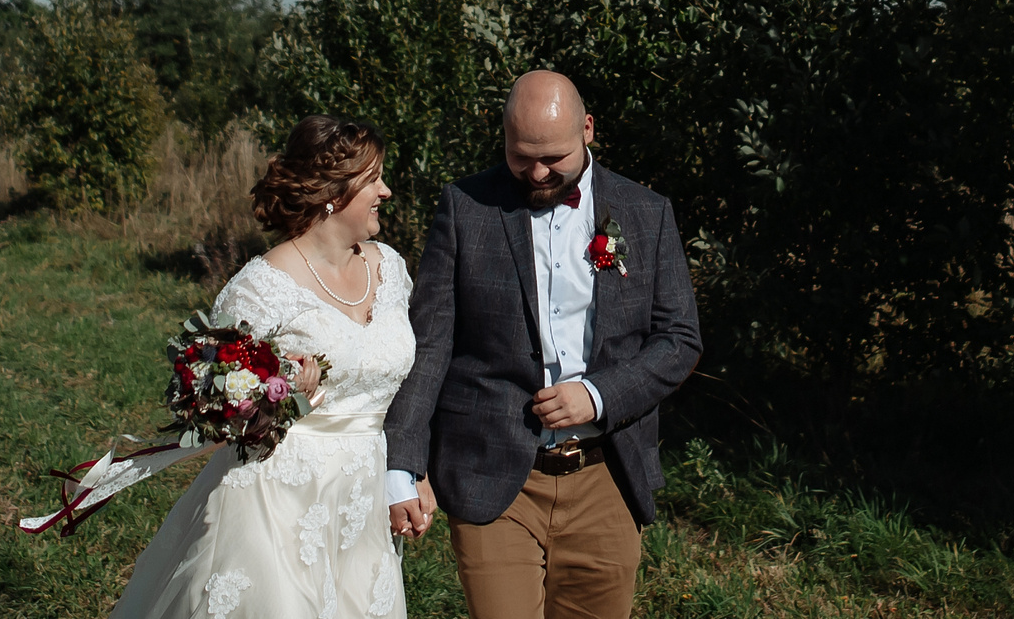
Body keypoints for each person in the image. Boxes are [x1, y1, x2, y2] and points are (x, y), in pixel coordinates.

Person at [383, 72, 702, 619]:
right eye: (520, 156)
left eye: (553, 158)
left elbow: (679, 339)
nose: (536, 173)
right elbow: (430, 343)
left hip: (607, 476)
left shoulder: (646, 212)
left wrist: (599, 395)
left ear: (588, 130)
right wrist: (401, 465)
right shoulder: (465, 208)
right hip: (492, 471)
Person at [111, 115, 417, 619]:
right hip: (275, 500)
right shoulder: (261, 285)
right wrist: (276, 383)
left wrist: (408, 472)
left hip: (361, 496)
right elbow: (203, 392)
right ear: (332, 193)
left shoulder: (391, 267)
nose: (386, 190)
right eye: (373, 179)